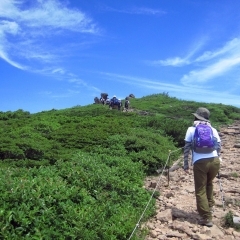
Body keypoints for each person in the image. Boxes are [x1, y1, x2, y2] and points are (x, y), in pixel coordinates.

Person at [183, 107, 221, 227]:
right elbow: (218, 146)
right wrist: (217, 157)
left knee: (200, 190)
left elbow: (186, 149)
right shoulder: (212, 129)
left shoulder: (191, 129)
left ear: (196, 117)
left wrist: (186, 164)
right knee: (209, 183)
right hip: (215, 161)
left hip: (200, 163)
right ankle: (210, 206)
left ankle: (206, 218)